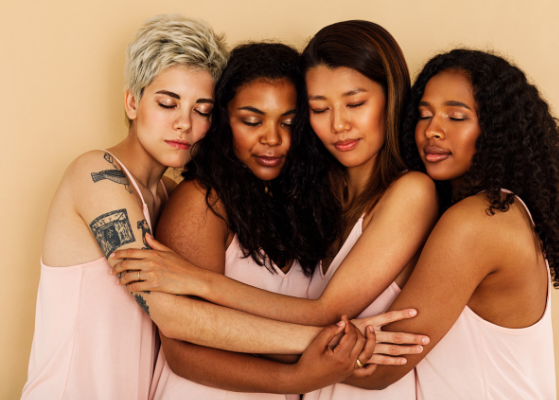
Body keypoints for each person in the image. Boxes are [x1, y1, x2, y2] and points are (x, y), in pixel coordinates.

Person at [22, 15, 393, 400]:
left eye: (201, 110)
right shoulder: (97, 174)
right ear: (132, 102)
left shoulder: (164, 192)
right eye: (168, 103)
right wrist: (330, 343)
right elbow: (172, 315)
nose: (183, 123)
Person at [114, 20, 438, 399]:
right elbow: (183, 348)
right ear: (221, 120)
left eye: (289, 122)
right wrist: (310, 369)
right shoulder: (203, 201)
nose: (339, 125)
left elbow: (323, 312)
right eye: (251, 121)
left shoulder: (333, 199)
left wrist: (198, 280)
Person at [339, 49, 559, 398]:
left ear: (498, 130)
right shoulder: (503, 211)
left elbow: (379, 368)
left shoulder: (479, 221)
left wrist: (251, 345)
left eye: (456, 116)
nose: (432, 130)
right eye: (424, 115)